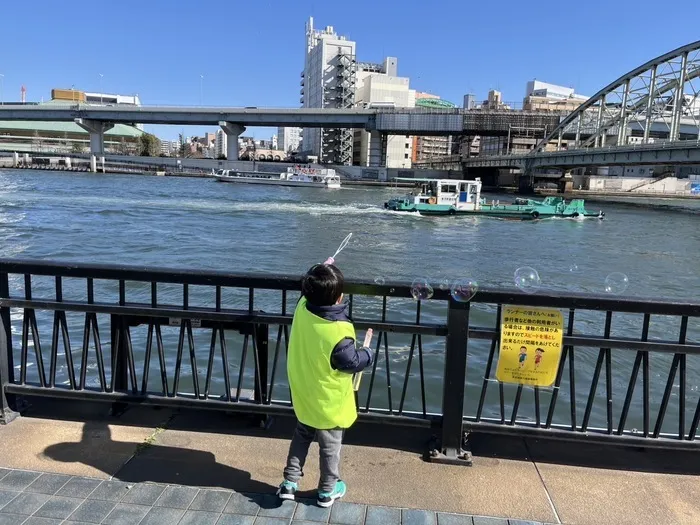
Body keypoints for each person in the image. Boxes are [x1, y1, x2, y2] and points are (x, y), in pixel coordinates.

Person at [277, 263, 374, 508]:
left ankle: (289, 483)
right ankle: (327, 491)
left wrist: (323, 267)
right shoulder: (338, 330)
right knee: (330, 447)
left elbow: (307, 290)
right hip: (328, 401)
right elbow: (350, 362)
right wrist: (368, 355)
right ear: (339, 297)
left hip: (305, 392)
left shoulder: (302, 308)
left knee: (301, 436)